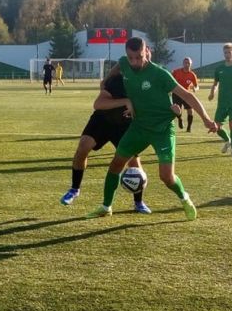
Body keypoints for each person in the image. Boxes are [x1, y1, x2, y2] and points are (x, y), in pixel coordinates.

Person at [86, 37, 218, 220]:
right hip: (139, 127)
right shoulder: (124, 63)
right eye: (131, 58)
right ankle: (106, 206)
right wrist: (105, 80)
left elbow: (187, 95)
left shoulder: (159, 74)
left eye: (139, 57)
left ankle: (184, 198)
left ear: (145, 52)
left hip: (162, 130)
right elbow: (118, 67)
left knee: (166, 177)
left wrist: (206, 119)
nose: (134, 62)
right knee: (116, 164)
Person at [60, 70, 174, 214]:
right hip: (102, 121)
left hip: (125, 125)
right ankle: (74, 189)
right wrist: (125, 101)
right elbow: (98, 103)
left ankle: (138, 202)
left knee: (134, 162)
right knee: (83, 146)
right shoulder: (116, 81)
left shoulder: (145, 85)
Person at [172, 57, 199, 132]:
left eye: (188, 63)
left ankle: (189, 127)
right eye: (185, 63)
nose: (187, 64)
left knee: (190, 110)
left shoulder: (192, 75)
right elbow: (170, 81)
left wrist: (195, 89)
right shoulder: (176, 72)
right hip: (176, 94)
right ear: (183, 63)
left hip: (186, 94)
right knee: (177, 110)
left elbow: (197, 86)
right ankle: (180, 119)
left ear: (191, 64)